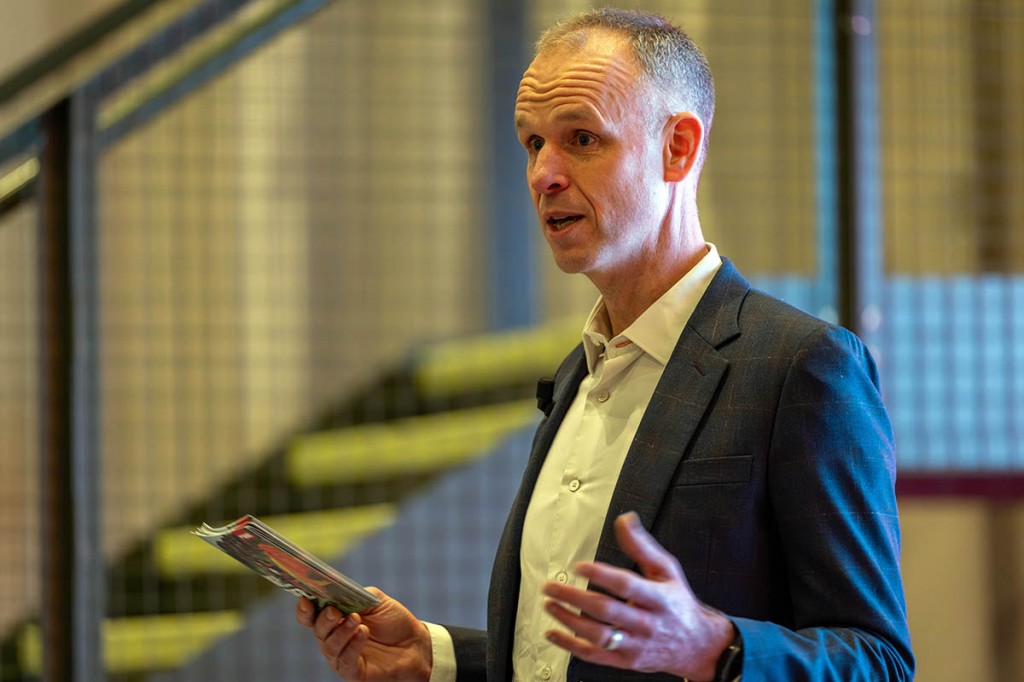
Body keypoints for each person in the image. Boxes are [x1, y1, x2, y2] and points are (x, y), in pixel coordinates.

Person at [296, 8, 914, 681]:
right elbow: (578, 664)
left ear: (677, 148)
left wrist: (712, 646)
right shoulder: (575, 376)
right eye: (533, 143)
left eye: (582, 139)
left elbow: (877, 661)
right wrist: (436, 659)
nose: (543, 175)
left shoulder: (802, 365)